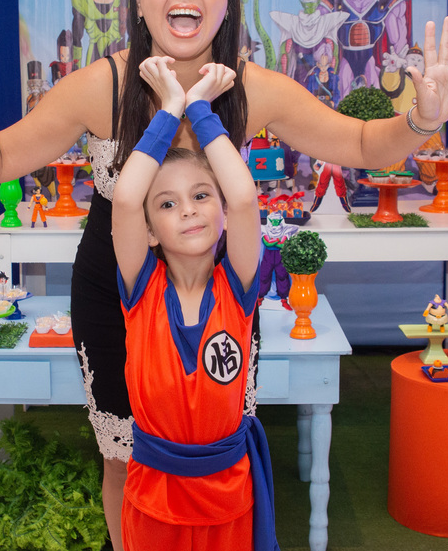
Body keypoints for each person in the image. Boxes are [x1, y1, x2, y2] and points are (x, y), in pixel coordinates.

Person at [0, 0, 448, 548]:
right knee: (124, 459)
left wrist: (422, 118)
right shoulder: (101, 85)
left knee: (216, 448)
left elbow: (363, 144)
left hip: (219, 298)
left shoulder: (253, 88)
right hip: (116, 294)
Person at [112, 55, 273, 550]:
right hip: (154, 497)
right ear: (149, 232)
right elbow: (125, 199)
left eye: (202, 195)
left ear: (221, 212)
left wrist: (201, 109)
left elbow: (244, 198)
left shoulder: (237, 288)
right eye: (167, 203)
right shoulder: (141, 290)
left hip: (227, 495)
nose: (187, 210)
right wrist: (169, 109)